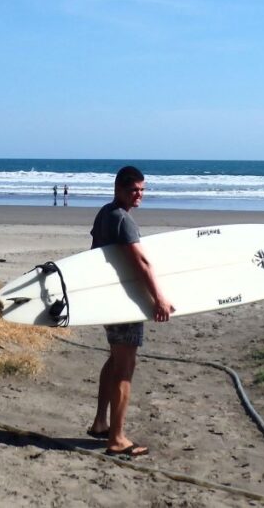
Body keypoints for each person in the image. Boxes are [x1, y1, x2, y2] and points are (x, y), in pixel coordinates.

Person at [87, 166, 173, 457]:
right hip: (124, 303)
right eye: (134, 190)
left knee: (114, 360)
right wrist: (159, 299)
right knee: (124, 369)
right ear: (119, 189)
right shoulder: (123, 220)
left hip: (109, 301)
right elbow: (142, 264)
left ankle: (101, 423)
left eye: (142, 190)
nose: (140, 195)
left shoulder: (104, 214)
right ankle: (117, 438)